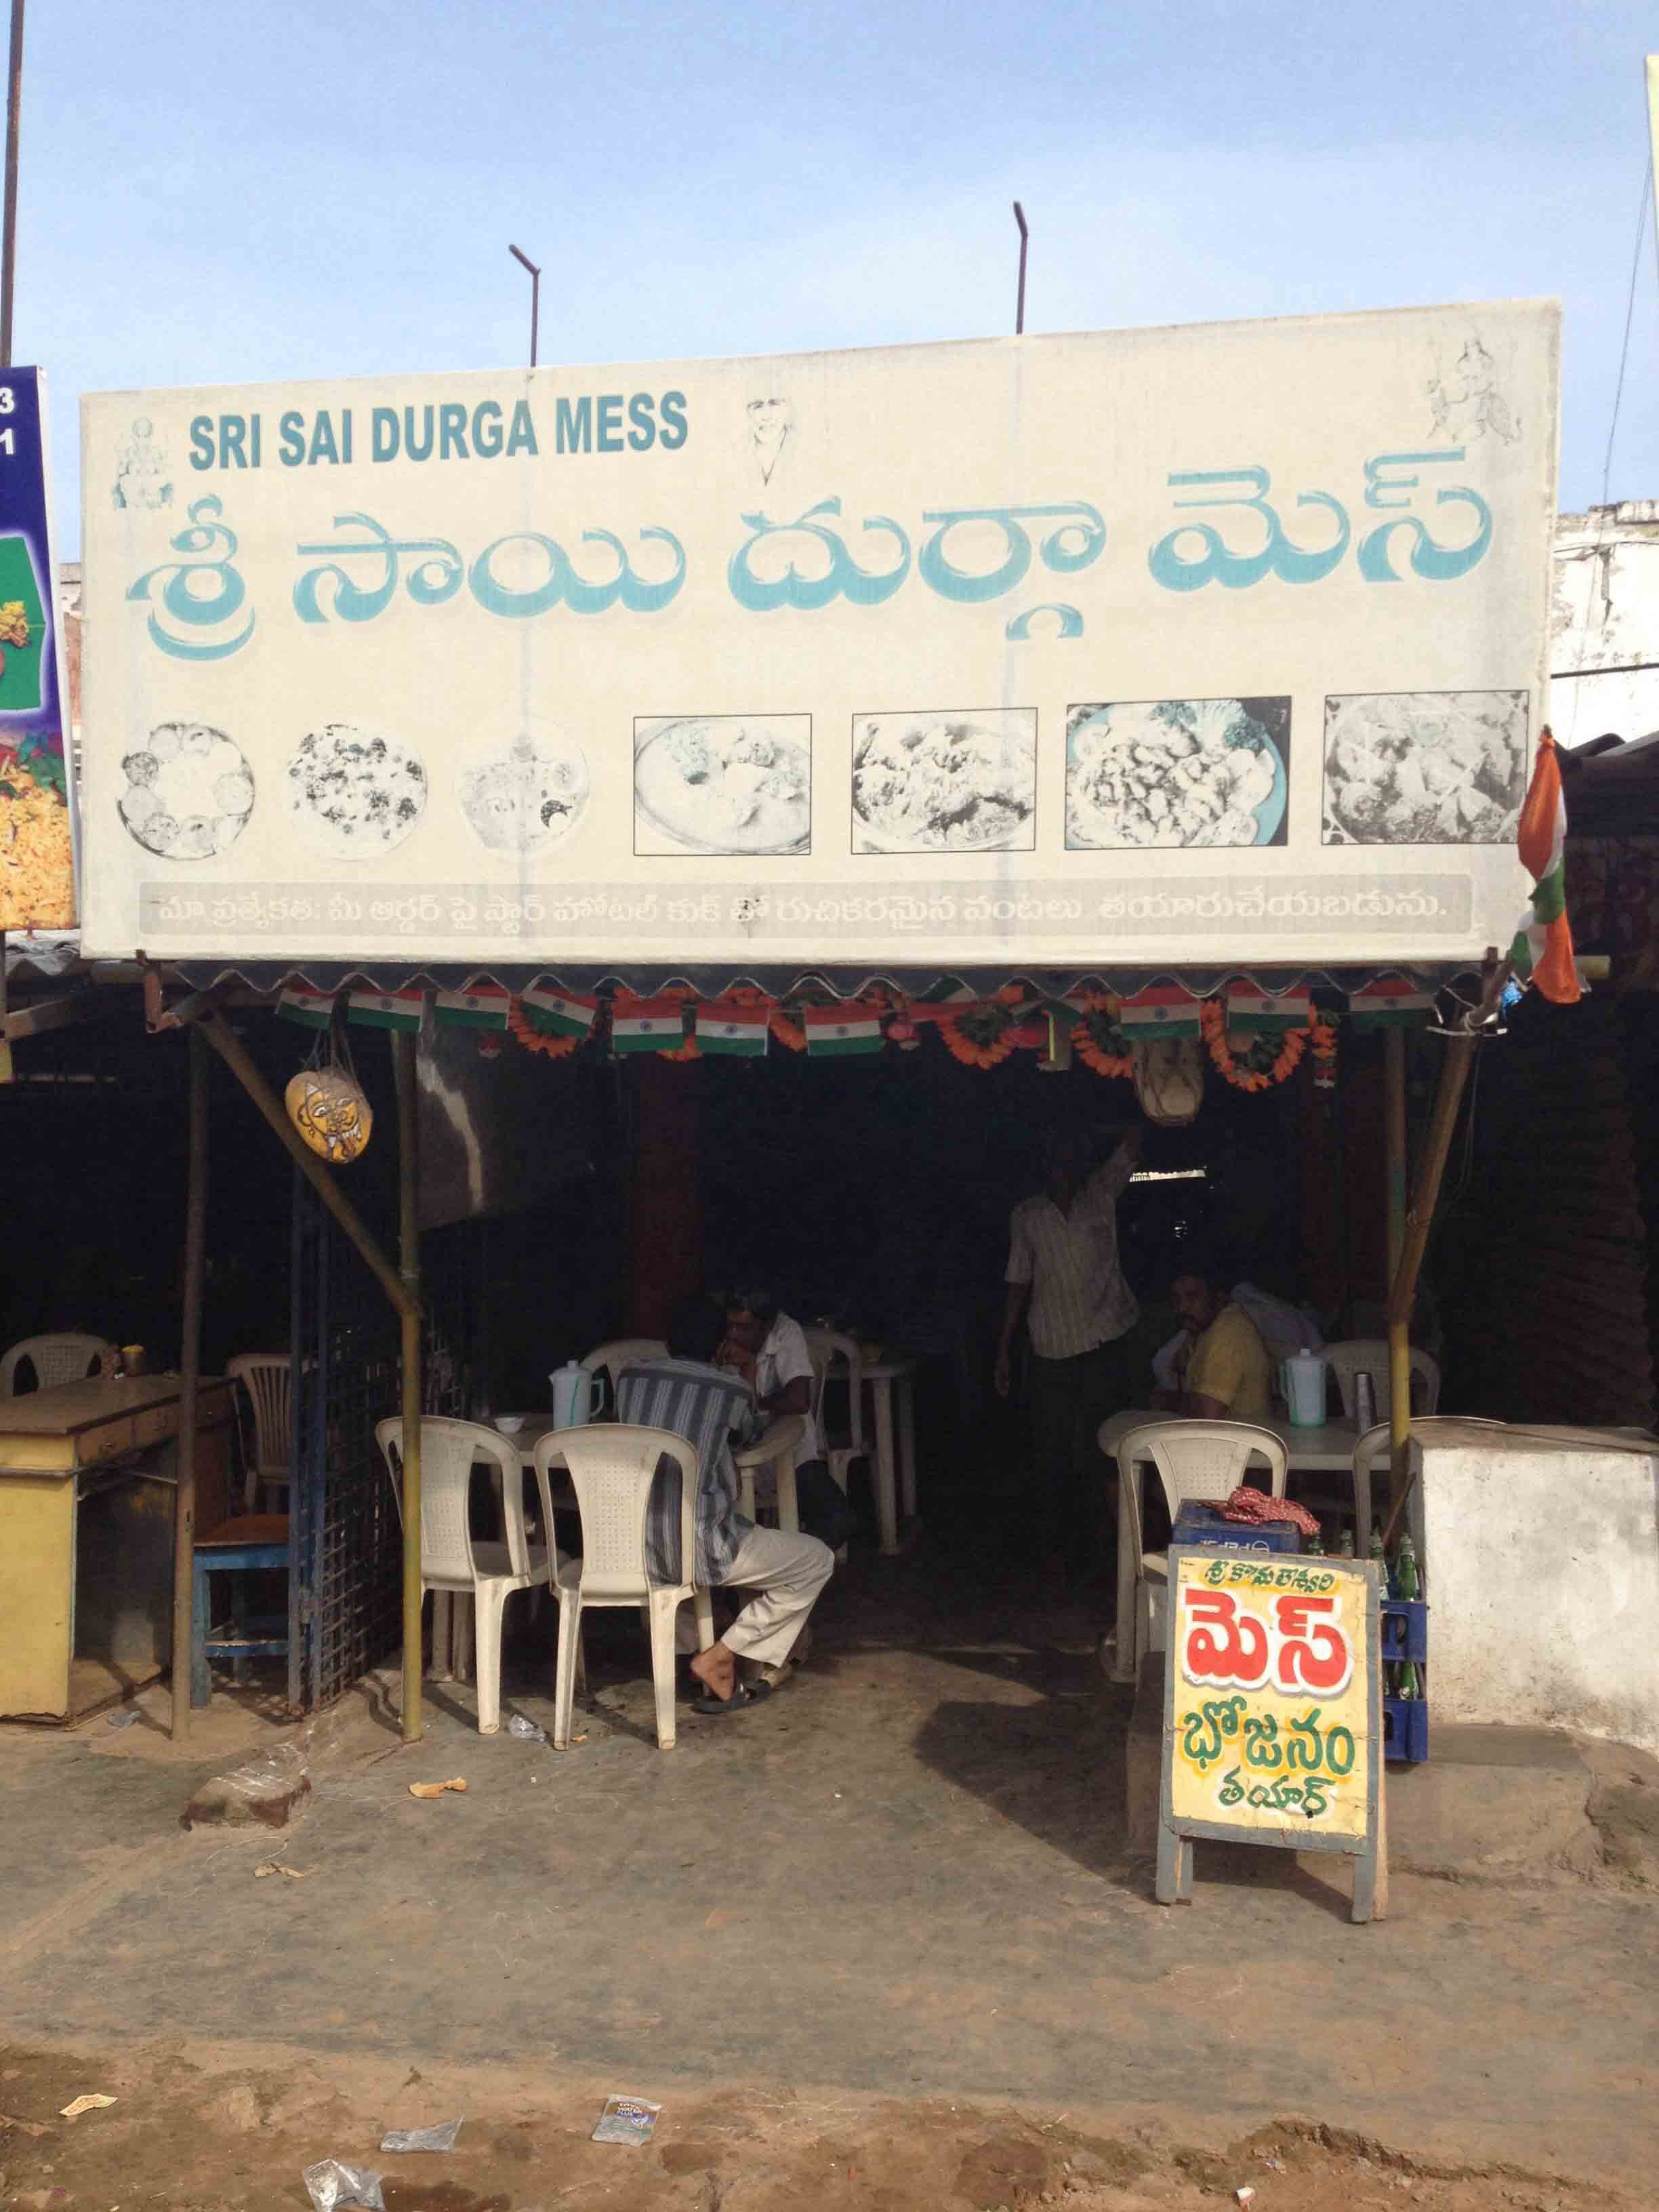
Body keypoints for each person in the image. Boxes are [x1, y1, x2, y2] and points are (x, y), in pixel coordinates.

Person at [617, 1296, 834, 1710]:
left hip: (630, 1546)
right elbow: (750, 1442)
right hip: (699, 1548)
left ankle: (683, 1655)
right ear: (720, 1343)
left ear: (666, 1341)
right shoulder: (730, 1389)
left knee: (666, 1521)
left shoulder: (629, 1378)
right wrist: (747, 1371)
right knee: (816, 1561)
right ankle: (723, 1654)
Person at [994, 1121, 1143, 1579]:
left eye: (1069, 1157)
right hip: (1052, 1347)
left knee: (1104, 1450)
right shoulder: (1027, 1215)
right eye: (1054, 1158)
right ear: (1043, 1165)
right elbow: (1018, 1283)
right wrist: (1002, 1350)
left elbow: (1134, 1141)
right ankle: (1055, 1550)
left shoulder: (1101, 1194)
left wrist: (1107, 1125)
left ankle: (1109, 1549)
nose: (1062, 1166)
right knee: (1053, 1452)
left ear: (1080, 1161)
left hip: (1106, 1340)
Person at [719, 1282, 855, 1551]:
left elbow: (799, 1399)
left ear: (766, 1325)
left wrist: (758, 1400)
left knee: (840, 1520)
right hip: (738, 1461)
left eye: (743, 1327)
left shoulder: (785, 1331)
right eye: (731, 1325)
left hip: (792, 1455)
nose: (734, 1334)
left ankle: (789, 1566)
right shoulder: (722, 1341)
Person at [1153, 1265, 1273, 1422]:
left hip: (1239, 1442)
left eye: (1193, 1297)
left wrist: (1166, 1401)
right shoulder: (1201, 1329)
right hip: (1219, 1437)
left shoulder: (1230, 1330)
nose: (1182, 1308)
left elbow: (1207, 1412)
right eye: (1177, 1299)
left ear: (1218, 1298)